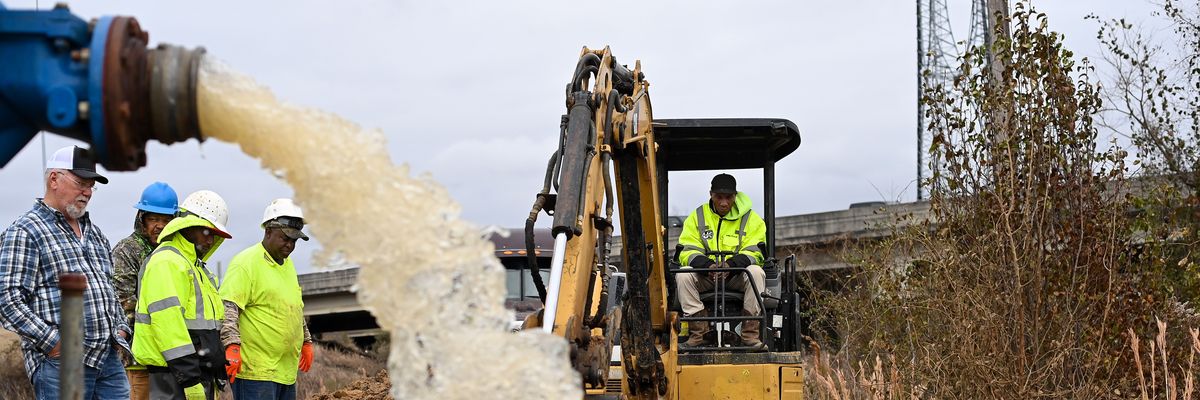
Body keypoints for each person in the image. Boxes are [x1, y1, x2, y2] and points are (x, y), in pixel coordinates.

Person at [0, 145, 131, 399]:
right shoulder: (26, 231)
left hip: (107, 360)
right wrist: (54, 344)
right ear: (54, 179)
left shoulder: (95, 235)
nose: (87, 192)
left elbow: (108, 290)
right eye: (81, 182)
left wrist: (120, 329)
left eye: (91, 185)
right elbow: (7, 298)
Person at [133, 190, 231, 400]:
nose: (210, 240)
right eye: (207, 232)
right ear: (189, 226)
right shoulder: (168, 261)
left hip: (194, 374)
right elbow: (168, 324)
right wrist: (189, 379)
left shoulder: (194, 266)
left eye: (214, 234)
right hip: (175, 378)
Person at [220, 199, 315, 400]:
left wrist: (306, 340)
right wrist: (232, 346)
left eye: (294, 241)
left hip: (285, 372)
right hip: (256, 373)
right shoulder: (246, 263)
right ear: (268, 231)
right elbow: (228, 308)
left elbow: (294, 307)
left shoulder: (288, 266)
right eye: (285, 238)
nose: (290, 245)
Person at [675, 173, 768, 351]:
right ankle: (699, 334)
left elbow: (755, 252)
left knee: (756, 272)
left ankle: (749, 335)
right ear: (711, 194)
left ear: (735, 196)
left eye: (729, 197)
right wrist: (707, 267)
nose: (724, 203)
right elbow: (687, 249)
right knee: (684, 274)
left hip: (738, 275)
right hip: (707, 276)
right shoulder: (698, 216)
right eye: (719, 197)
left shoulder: (751, 219)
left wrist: (731, 266)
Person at [112, 181, 179, 400]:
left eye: (166, 220)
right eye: (154, 219)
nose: (160, 225)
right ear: (142, 219)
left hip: (171, 358)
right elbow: (124, 304)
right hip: (137, 360)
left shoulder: (177, 253)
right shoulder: (127, 250)